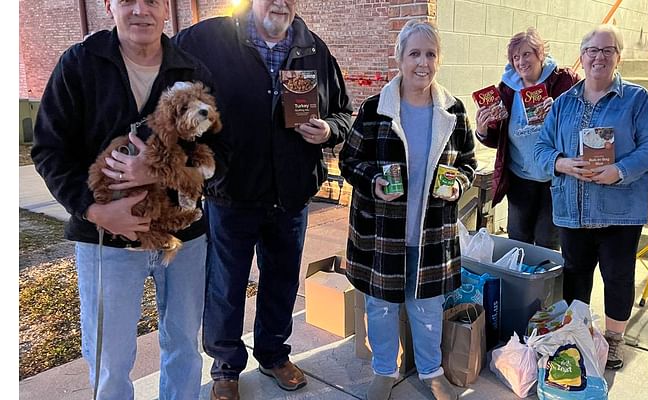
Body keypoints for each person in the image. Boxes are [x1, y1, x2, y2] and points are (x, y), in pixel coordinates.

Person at [31, 0, 213, 398]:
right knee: (110, 358)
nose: (140, 10)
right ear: (108, 5)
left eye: (152, 1)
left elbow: (223, 151)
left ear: (166, 8)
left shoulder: (192, 70)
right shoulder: (79, 64)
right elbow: (48, 149)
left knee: (185, 345)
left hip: (184, 238)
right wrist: (94, 210)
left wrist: (166, 171)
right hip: (106, 240)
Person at [173, 0, 354, 398]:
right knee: (226, 285)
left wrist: (328, 131)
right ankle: (225, 368)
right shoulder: (210, 39)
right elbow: (162, 70)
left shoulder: (313, 49)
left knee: (282, 281)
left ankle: (273, 354)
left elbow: (344, 113)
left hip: (290, 194)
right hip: (232, 194)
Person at [339, 19, 477, 400]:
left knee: (427, 307)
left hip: (432, 231)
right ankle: (385, 370)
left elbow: (467, 161)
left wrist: (459, 184)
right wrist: (373, 181)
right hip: (382, 231)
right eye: (414, 53)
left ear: (439, 60)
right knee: (381, 307)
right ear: (399, 58)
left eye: (430, 54)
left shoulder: (454, 111)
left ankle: (432, 372)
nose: (423, 62)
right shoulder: (374, 109)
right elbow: (349, 160)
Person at [533, 24, 648, 370]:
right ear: (582, 55)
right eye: (592, 50)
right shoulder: (562, 103)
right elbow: (541, 148)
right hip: (571, 207)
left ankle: (614, 339)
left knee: (618, 275)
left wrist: (618, 170)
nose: (599, 57)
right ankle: (577, 332)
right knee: (575, 273)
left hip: (618, 209)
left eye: (608, 50)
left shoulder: (636, 100)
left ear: (618, 57)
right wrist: (561, 163)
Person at [474, 27, 580, 250]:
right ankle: (520, 285)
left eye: (526, 54)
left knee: (546, 243)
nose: (521, 61)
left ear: (540, 54)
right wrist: (483, 129)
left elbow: (583, 120)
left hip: (554, 178)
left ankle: (543, 286)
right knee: (517, 241)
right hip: (519, 177)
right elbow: (497, 138)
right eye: (515, 57)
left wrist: (559, 114)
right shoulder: (506, 89)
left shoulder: (564, 81)